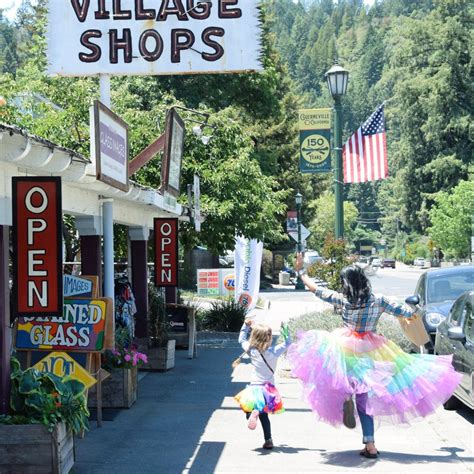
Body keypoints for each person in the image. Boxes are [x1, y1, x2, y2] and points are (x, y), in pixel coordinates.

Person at [287, 253, 462, 459]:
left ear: (347, 284)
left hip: (342, 346)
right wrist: (412, 310)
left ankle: (346, 397)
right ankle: (369, 443)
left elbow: (316, 290)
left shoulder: (342, 299)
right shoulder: (378, 301)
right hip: (370, 349)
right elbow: (406, 312)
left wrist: (300, 271)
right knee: (365, 397)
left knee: (337, 377)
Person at [233, 319, 291, 450]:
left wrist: (246, 325)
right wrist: (285, 330)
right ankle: (268, 440)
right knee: (264, 415)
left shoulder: (251, 350)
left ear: (254, 337)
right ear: (269, 338)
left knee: (249, 409)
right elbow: (288, 343)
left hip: (255, 388)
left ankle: (252, 414)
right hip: (269, 390)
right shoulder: (275, 351)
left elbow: (241, 339)